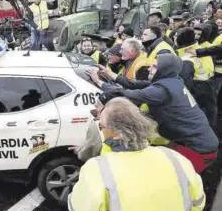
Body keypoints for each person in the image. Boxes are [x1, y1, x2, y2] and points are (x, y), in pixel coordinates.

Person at [68, 97, 205, 211]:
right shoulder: (175, 158)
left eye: (102, 126)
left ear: (115, 133)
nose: (101, 130)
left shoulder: (97, 169)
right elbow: (198, 206)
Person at [87, 54, 219, 173]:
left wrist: (99, 82)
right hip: (189, 141)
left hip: (197, 148)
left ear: (164, 70)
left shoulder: (161, 91)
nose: (150, 68)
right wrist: (110, 74)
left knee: (175, 180)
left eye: (154, 66)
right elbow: (133, 84)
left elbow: (126, 94)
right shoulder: (172, 81)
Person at [175, 27, 217, 131]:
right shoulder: (200, 49)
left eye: (176, 36)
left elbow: (185, 86)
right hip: (210, 87)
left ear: (179, 40)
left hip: (196, 93)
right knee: (209, 120)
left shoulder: (186, 59)